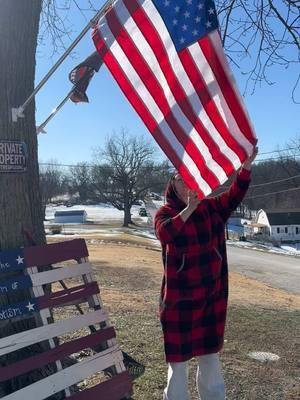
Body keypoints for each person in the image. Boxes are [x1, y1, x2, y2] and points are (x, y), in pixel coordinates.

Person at [154, 148, 258, 400]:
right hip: (179, 301)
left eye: (191, 179)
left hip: (210, 298)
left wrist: (245, 167)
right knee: (178, 366)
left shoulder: (212, 208)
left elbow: (235, 194)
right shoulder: (164, 213)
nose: (187, 184)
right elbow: (165, 233)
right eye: (181, 179)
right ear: (173, 184)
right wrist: (188, 209)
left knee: (210, 361)